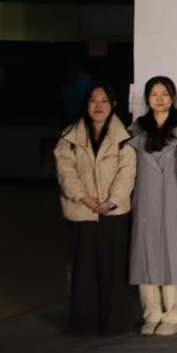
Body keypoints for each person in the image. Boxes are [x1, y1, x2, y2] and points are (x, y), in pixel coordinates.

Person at [54, 84, 136, 336]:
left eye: (104, 101)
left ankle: (114, 324)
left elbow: (127, 174)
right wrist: (86, 199)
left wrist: (110, 202)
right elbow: (65, 173)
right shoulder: (69, 137)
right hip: (82, 211)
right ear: (86, 104)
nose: (99, 106)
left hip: (114, 213)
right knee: (84, 269)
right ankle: (84, 324)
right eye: (93, 100)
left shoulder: (125, 138)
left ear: (113, 105)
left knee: (114, 269)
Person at [128, 76, 177, 336]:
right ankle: (152, 313)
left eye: (164, 93)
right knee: (145, 253)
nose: (159, 99)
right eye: (153, 94)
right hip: (145, 200)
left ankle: (175, 314)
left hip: (174, 197)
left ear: (173, 96)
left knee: (172, 254)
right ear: (147, 99)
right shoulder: (136, 130)